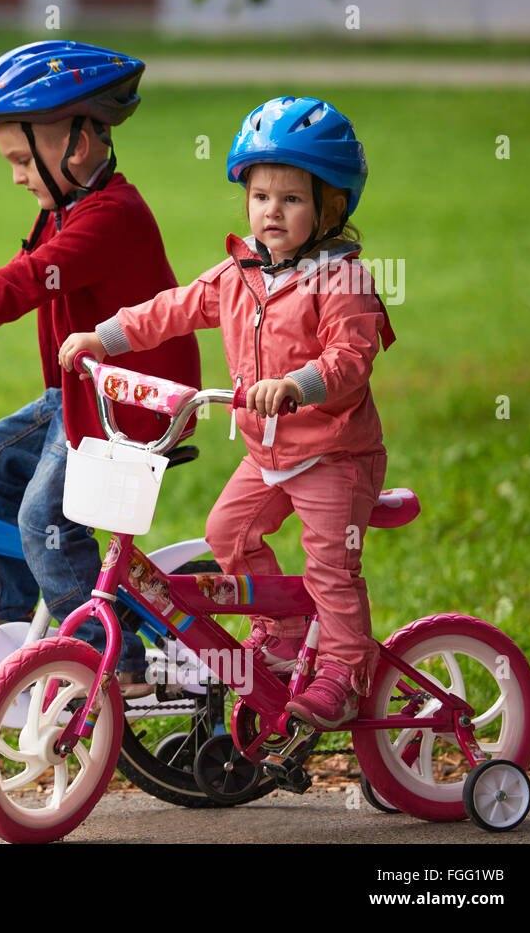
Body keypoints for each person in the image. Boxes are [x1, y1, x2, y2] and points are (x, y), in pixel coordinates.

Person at [0, 41, 201, 695]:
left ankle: (109, 659)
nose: (18, 176)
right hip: (79, 396)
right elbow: (24, 278)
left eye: (23, 160)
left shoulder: (111, 217)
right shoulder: (66, 209)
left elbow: (19, 286)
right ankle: (8, 617)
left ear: (77, 144)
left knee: (43, 519)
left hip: (129, 406)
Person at [60, 96, 396, 727]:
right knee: (227, 534)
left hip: (334, 455)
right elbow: (173, 308)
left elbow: (351, 360)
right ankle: (283, 632)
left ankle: (346, 674)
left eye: (292, 199)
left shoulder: (342, 281)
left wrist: (297, 383)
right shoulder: (240, 274)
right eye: (261, 196)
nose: (272, 211)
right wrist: (103, 339)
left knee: (331, 568)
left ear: (331, 207)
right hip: (267, 453)